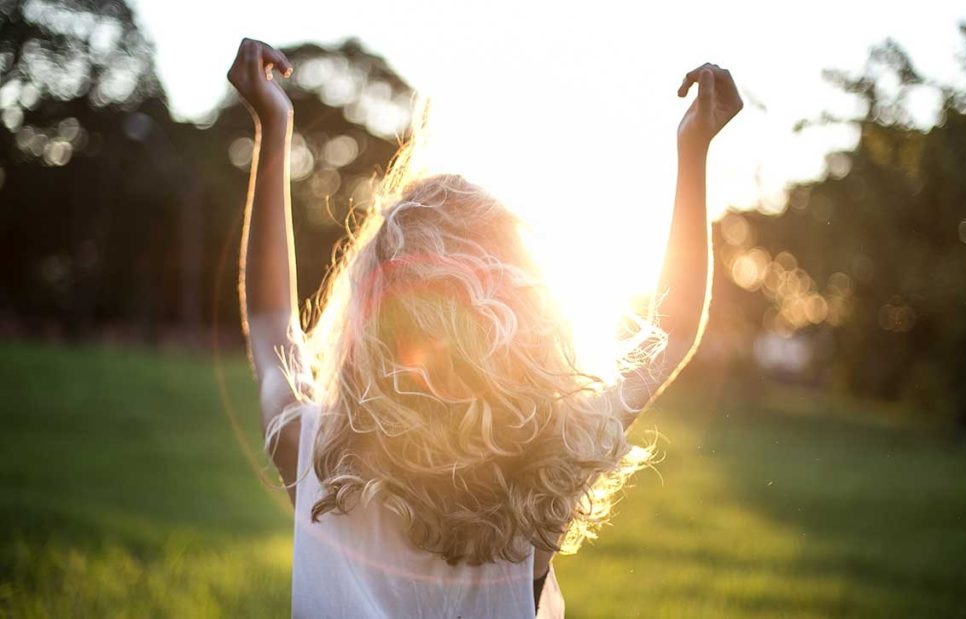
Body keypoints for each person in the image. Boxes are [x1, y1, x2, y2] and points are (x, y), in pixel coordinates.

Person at [227, 36, 741, 618]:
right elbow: (669, 331)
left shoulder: (316, 455)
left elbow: (272, 321)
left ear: (369, 321)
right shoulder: (548, 468)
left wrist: (273, 127)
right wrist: (693, 151)